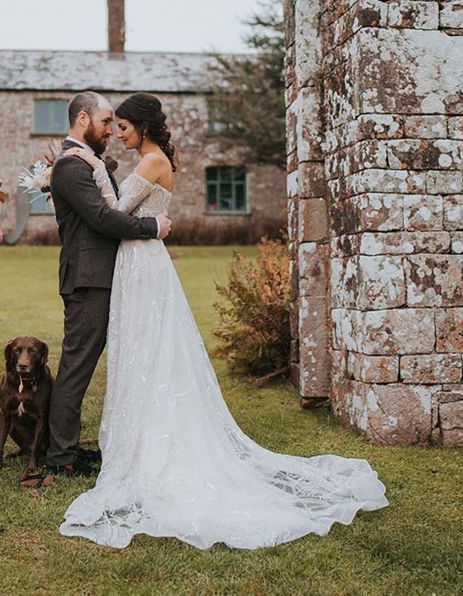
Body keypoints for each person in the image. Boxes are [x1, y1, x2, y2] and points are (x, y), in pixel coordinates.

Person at [58, 92, 387, 549]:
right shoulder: (152, 160)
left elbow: (111, 213)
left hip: (142, 262)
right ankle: (137, 445)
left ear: (144, 128)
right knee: (144, 351)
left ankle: (151, 450)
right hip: (139, 262)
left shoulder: (151, 162)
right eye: (113, 125)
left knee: (148, 351)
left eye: (125, 127)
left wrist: (94, 170)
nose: (118, 133)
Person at [46, 91, 171, 477]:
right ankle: (61, 457)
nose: (109, 131)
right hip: (88, 279)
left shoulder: (91, 163)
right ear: (83, 119)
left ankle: (71, 448)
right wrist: (152, 227)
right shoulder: (70, 167)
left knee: (94, 364)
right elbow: (102, 217)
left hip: (106, 276)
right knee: (76, 366)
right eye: (104, 122)